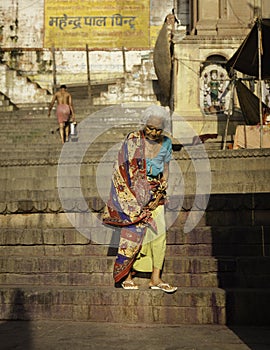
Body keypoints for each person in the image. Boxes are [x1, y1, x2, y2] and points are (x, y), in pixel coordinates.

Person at [103, 105, 177, 293]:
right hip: (132, 194)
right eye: (150, 128)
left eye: (158, 129)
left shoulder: (167, 143)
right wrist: (131, 195)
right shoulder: (133, 140)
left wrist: (163, 185)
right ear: (144, 124)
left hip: (155, 194)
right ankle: (127, 275)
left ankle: (156, 278)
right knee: (132, 233)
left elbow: (166, 169)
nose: (153, 132)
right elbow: (121, 168)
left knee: (160, 234)